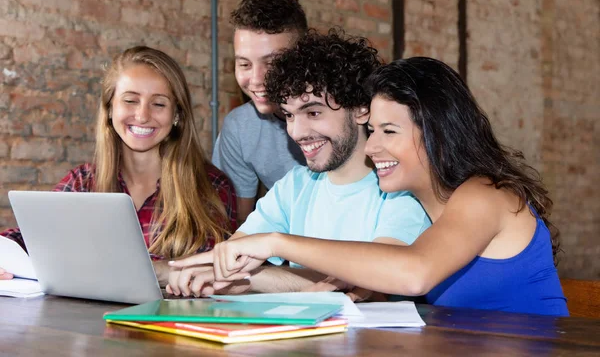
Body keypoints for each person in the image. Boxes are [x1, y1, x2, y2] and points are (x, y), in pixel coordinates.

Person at [170, 57, 569, 316]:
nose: (373, 146)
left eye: (390, 131)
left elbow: (414, 273)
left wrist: (276, 243)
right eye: (372, 130)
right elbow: (369, 276)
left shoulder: (486, 194)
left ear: (437, 133)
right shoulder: (421, 206)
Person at [167, 30, 431, 298]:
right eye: (290, 115)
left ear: (361, 109)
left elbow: (378, 281)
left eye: (314, 113)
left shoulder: (400, 188)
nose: (297, 132)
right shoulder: (295, 185)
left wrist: (274, 248)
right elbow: (235, 258)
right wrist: (208, 273)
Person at [0, 46, 238, 285]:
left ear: (177, 115)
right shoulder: (82, 182)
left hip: (171, 320)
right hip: (85, 319)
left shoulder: (210, 187)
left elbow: (216, 269)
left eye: (159, 104)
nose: (143, 115)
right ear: (110, 109)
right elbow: (30, 237)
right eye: (130, 100)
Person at [212, 0, 308, 224]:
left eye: (272, 63)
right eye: (244, 64)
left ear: (304, 56)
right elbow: (237, 227)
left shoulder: (347, 116)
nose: (256, 79)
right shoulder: (240, 128)